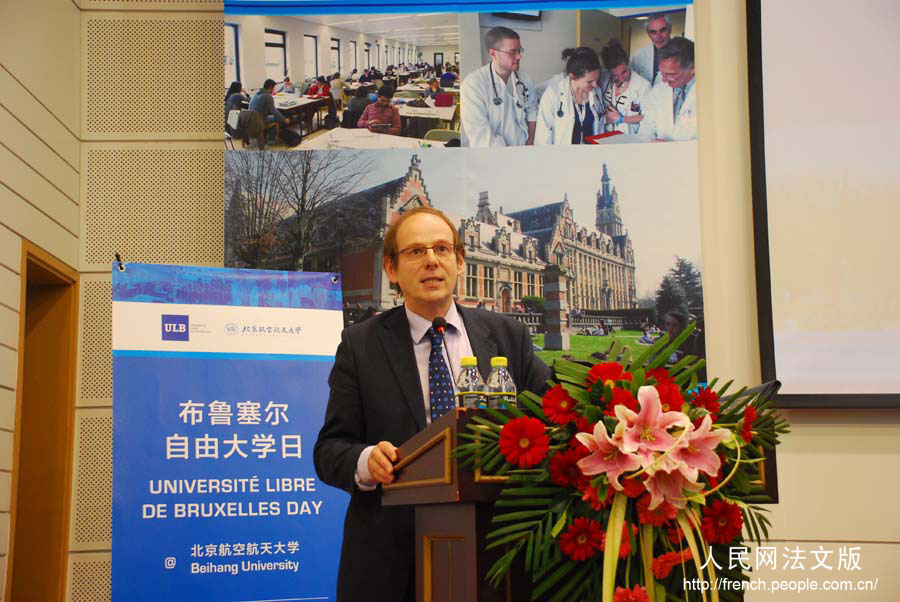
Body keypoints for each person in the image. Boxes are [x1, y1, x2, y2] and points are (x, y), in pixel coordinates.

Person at [314, 207, 552, 602]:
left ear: (459, 261)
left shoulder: (507, 335)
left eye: (442, 249)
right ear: (391, 268)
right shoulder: (360, 345)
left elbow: (553, 412)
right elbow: (329, 451)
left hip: (497, 554)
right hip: (393, 560)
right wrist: (366, 461)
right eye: (415, 252)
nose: (431, 261)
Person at [461, 26, 537, 147]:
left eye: (519, 50)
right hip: (492, 156)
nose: (519, 57)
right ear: (493, 53)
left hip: (523, 151)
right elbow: (482, 137)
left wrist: (530, 142)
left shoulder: (525, 79)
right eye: (512, 52)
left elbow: (532, 111)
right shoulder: (473, 85)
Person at [534, 47, 604, 145]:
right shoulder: (554, 94)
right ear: (572, 77)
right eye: (590, 81)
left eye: (597, 79)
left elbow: (598, 127)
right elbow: (543, 136)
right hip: (563, 155)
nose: (595, 84)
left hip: (591, 153)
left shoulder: (595, 91)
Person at [637, 37, 697, 142]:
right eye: (662, 73)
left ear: (693, 68)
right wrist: (651, 142)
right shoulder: (657, 92)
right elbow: (646, 130)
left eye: (671, 74)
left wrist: (673, 148)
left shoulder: (710, 93)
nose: (664, 80)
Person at [598, 39, 651, 135]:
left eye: (624, 72)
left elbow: (649, 118)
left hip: (628, 138)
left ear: (628, 63)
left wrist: (621, 119)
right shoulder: (603, 78)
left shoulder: (643, 85)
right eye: (615, 75)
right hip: (604, 135)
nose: (621, 78)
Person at [630, 12, 672, 86]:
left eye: (662, 30)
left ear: (669, 30)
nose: (658, 36)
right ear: (648, 34)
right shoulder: (639, 55)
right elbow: (631, 82)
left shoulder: (681, 54)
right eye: (653, 32)